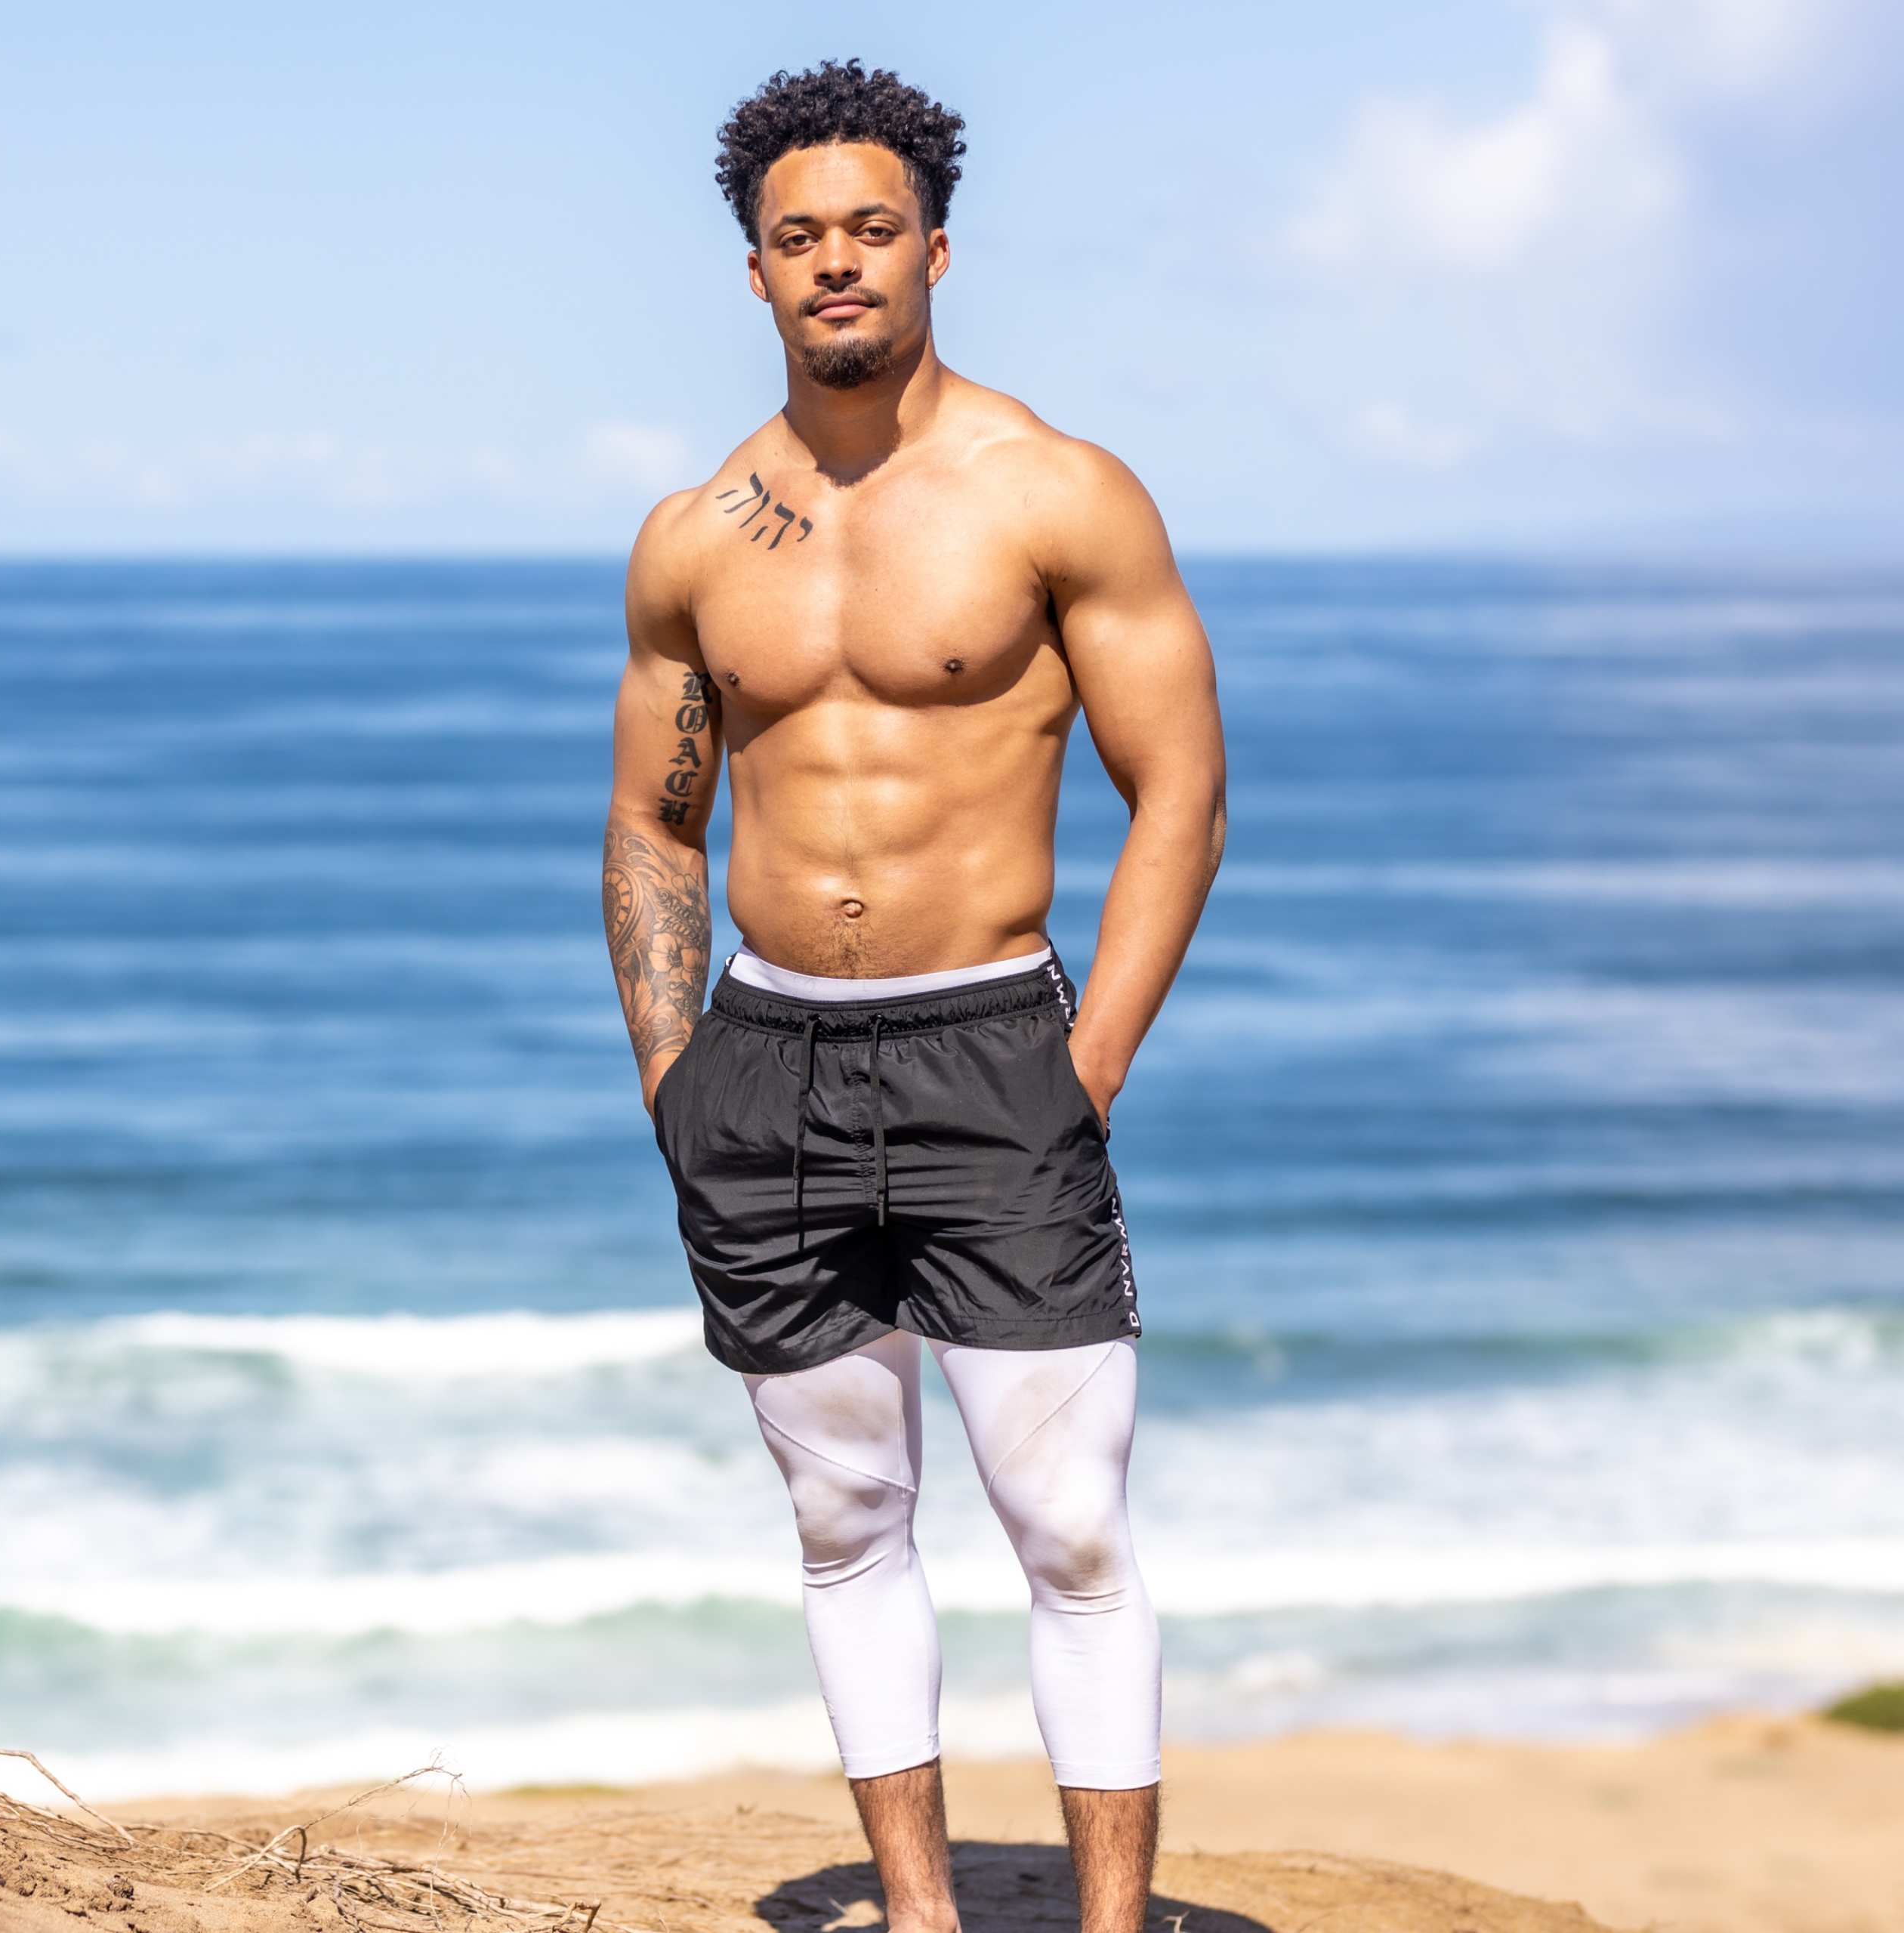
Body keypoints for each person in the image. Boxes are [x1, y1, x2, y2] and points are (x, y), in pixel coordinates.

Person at [598, 60, 1228, 1933]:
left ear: (936, 248)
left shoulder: (1057, 493)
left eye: (870, 229)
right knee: (842, 1519)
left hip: (991, 1048)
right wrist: (677, 1073)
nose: (837, 264)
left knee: (1072, 1526)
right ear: (757, 277)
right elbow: (652, 820)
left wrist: (1083, 1059)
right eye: (799, 239)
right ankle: (924, 1914)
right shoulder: (697, 538)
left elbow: (1178, 792)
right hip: (768, 1057)